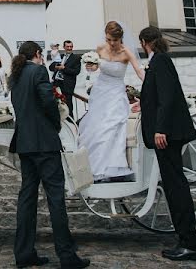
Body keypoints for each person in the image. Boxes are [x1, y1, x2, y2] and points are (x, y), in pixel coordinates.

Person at [10, 41, 89, 269]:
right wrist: (56, 122)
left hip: (25, 144)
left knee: (27, 199)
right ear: (37, 54)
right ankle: (66, 255)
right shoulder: (38, 70)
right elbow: (46, 99)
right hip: (44, 143)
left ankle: (24, 253)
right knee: (56, 199)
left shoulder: (16, 75)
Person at [138, 26, 196, 262]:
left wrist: (160, 128)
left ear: (145, 42)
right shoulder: (159, 60)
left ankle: (189, 243)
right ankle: (185, 239)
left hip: (168, 135)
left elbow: (167, 97)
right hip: (167, 133)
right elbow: (157, 97)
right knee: (174, 186)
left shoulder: (160, 61)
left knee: (176, 187)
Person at [77, 21, 144, 182]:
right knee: (95, 129)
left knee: (111, 127)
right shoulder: (100, 49)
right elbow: (94, 68)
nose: (112, 43)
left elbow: (140, 72)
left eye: (115, 40)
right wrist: (91, 67)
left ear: (121, 38)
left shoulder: (126, 52)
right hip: (100, 92)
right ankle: (91, 168)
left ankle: (109, 168)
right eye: (109, 39)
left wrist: (151, 86)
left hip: (115, 93)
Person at [49, 40, 81, 116]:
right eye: (67, 46)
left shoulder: (76, 58)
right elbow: (51, 67)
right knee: (57, 105)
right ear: (64, 47)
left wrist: (64, 68)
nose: (69, 48)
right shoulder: (59, 56)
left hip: (67, 86)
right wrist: (56, 66)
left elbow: (76, 71)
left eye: (71, 46)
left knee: (68, 105)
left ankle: (71, 124)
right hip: (56, 84)